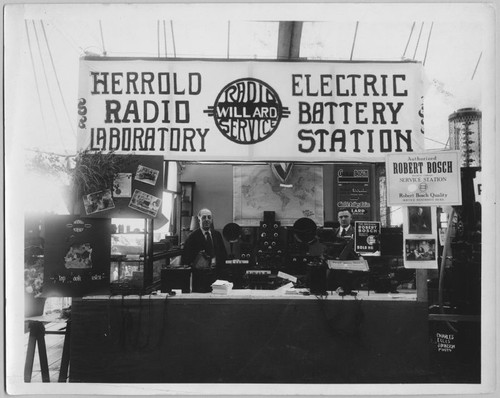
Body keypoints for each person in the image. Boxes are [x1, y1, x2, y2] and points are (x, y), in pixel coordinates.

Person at [181, 208, 227, 272]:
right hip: (200, 275)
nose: (207, 220)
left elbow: (223, 254)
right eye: (204, 217)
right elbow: (185, 260)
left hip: (217, 272)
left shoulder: (217, 235)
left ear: (211, 220)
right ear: (199, 220)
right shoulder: (192, 237)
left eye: (209, 217)